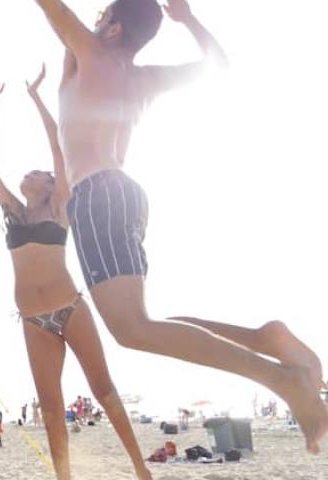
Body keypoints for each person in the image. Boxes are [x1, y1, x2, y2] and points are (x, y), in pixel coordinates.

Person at [31, 0, 327, 454]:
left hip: (99, 197)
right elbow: (217, 64)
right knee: (149, 324)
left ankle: (283, 380)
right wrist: (188, 19)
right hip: (124, 196)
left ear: (112, 30)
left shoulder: (94, 53)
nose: (91, 22)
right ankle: (265, 339)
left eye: (100, 17)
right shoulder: (140, 77)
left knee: (133, 329)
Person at [0, 67, 149, 479]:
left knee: (104, 391)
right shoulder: (14, 212)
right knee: (51, 412)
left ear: (52, 184)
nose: (27, 175)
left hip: (69, 308)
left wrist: (36, 96)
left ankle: (142, 471)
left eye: (37, 173)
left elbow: (57, 144)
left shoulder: (59, 207)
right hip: (34, 320)